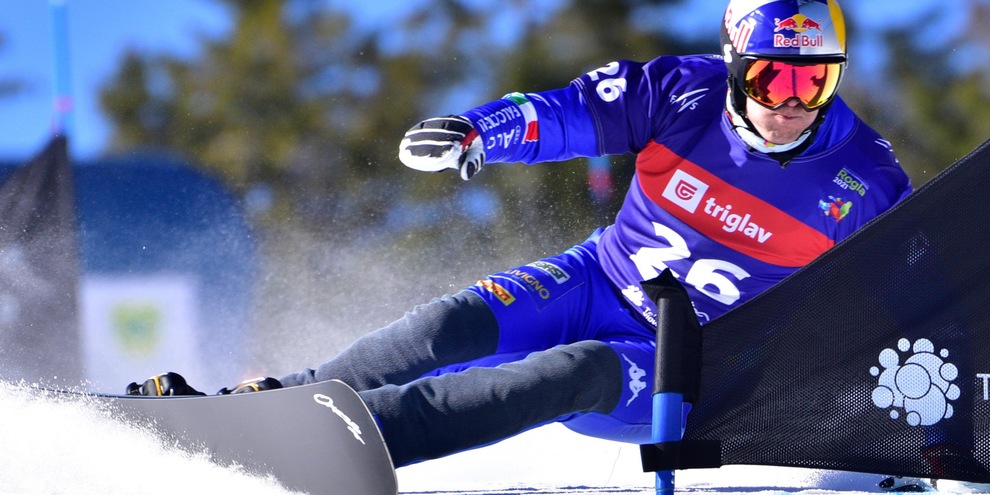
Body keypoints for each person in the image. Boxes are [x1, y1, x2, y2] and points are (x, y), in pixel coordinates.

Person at [127, 0, 912, 471]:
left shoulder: (865, 176)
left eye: (817, 79)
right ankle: (267, 406)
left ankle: (346, 443)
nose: (793, 100)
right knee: (450, 326)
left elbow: (920, 292)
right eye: (771, 75)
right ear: (734, 62)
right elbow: (571, 110)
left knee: (566, 373)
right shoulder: (682, 91)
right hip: (597, 281)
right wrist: (477, 131)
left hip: (691, 363)